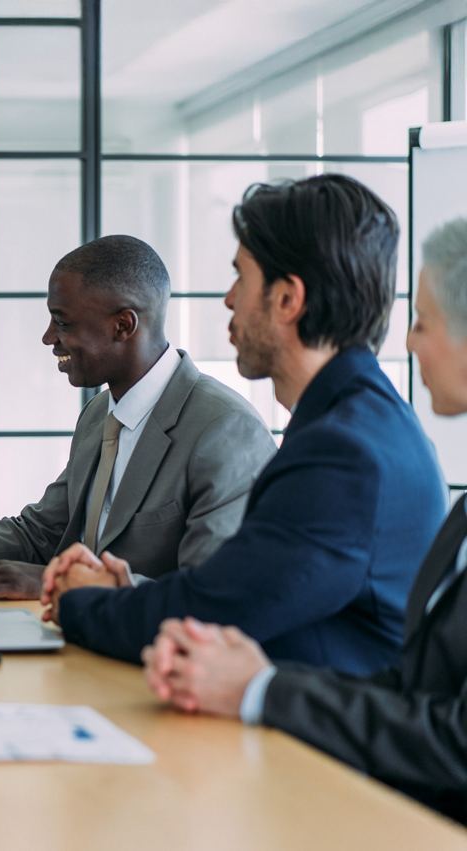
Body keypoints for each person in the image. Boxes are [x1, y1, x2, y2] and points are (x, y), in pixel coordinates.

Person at [43, 175, 444, 677]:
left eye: (241, 278)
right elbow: (244, 590)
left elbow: (216, 613)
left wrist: (82, 601)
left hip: (312, 749)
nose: (229, 300)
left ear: (287, 300)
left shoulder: (344, 452)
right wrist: (125, 592)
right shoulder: (360, 421)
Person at [140, 217, 467, 824]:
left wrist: (262, 690)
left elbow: (456, 743)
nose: (411, 343)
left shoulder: (350, 446)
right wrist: (255, 681)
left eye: (423, 322)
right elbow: (417, 690)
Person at [0, 235, 275, 599]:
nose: (49, 338)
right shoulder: (101, 414)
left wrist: (61, 585)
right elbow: (39, 535)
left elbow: (213, 594)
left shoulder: (224, 430)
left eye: (62, 322)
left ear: (123, 326)